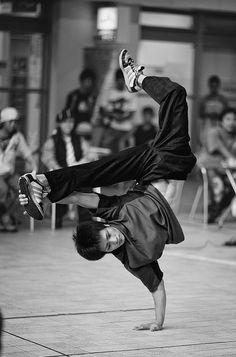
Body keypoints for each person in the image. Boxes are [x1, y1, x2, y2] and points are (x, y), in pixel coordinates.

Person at [19, 49, 196, 331]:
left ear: (104, 226)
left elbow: (78, 196)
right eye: (110, 246)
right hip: (173, 161)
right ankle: (136, 79)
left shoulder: (113, 213)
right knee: (175, 95)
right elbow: (157, 287)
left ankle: (41, 183)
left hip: (148, 170)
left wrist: (50, 198)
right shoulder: (136, 260)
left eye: (108, 236)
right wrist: (158, 322)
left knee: (96, 169)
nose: (114, 240)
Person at [41, 109, 95, 228]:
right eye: (65, 122)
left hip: (77, 172)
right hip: (61, 172)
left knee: (86, 184)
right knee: (59, 184)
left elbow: (89, 154)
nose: (68, 124)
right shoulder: (53, 140)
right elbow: (47, 157)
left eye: (71, 121)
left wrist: (81, 163)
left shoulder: (79, 139)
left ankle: (85, 218)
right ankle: (59, 216)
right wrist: (60, 170)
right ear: (59, 123)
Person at [0, 107, 37, 232]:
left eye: (15, 121)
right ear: (3, 122)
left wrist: (33, 165)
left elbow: (26, 153)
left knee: (24, 189)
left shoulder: (17, 136)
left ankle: (5, 216)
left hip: (9, 173)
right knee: (2, 190)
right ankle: (5, 219)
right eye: (10, 121)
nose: (13, 124)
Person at [198, 107, 236, 223]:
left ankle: (215, 210)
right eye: (228, 119)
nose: (231, 122)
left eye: (234, 119)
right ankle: (214, 211)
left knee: (233, 185)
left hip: (227, 170)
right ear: (221, 121)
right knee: (218, 187)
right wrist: (230, 157)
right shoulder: (213, 132)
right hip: (209, 167)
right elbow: (218, 147)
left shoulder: (234, 136)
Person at [94, 68, 137, 153]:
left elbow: (132, 112)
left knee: (124, 154)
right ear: (116, 80)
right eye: (119, 80)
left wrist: (122, 118)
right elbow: (101, 110)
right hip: (111, 128)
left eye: (123, 80)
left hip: (126, 129)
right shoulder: (108, 92)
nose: (121, 82)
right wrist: (113, 116)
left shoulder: (131, 93)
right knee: (106, 152)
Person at [65, 68, 97, 135]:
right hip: (73, 128)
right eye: (87, 81)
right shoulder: (73, 96)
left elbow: (93, 114)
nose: (89, 84)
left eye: (91, 81)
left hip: (86, 128)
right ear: (82, 81)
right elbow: (68, 112)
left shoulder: (92, 97)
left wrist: (90, 104)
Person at [199, 75, 228, 146]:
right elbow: (200, 114)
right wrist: (209, 114)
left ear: (218, 86)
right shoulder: (204, 99)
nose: (214, 88)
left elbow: (227, 114)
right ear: (209, 86)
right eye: (212, 86)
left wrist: (218, 115)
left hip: (219, 125)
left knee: (219, 144)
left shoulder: (223, 99)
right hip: (207, 125)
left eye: (216, 86)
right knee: (206, 144)